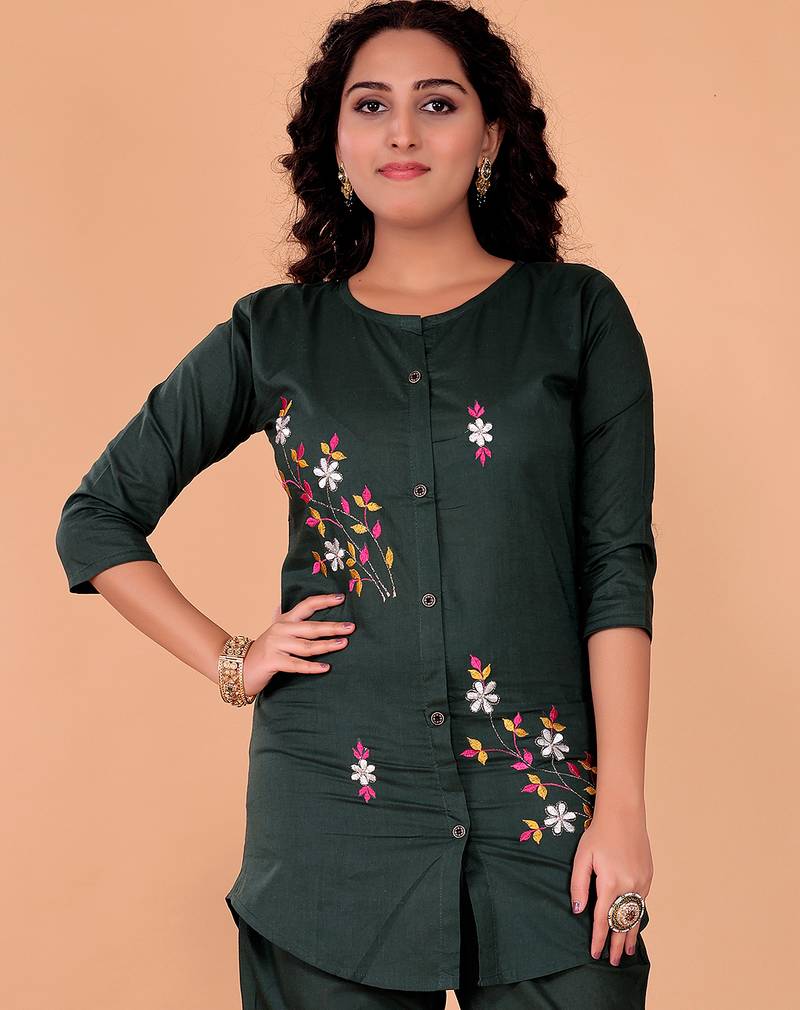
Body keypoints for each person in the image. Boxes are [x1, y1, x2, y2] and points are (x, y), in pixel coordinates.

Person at [54, 2, 657, 1007]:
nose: (402, 132)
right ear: (335, 142)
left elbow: (615, 565)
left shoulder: (575, 315)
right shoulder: (274, 335)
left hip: (543, 810)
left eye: (438, 104)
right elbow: (96, 516)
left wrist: (623, 808)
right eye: (370, 105)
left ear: (490, 136)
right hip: (330, 822)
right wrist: (233, 658)